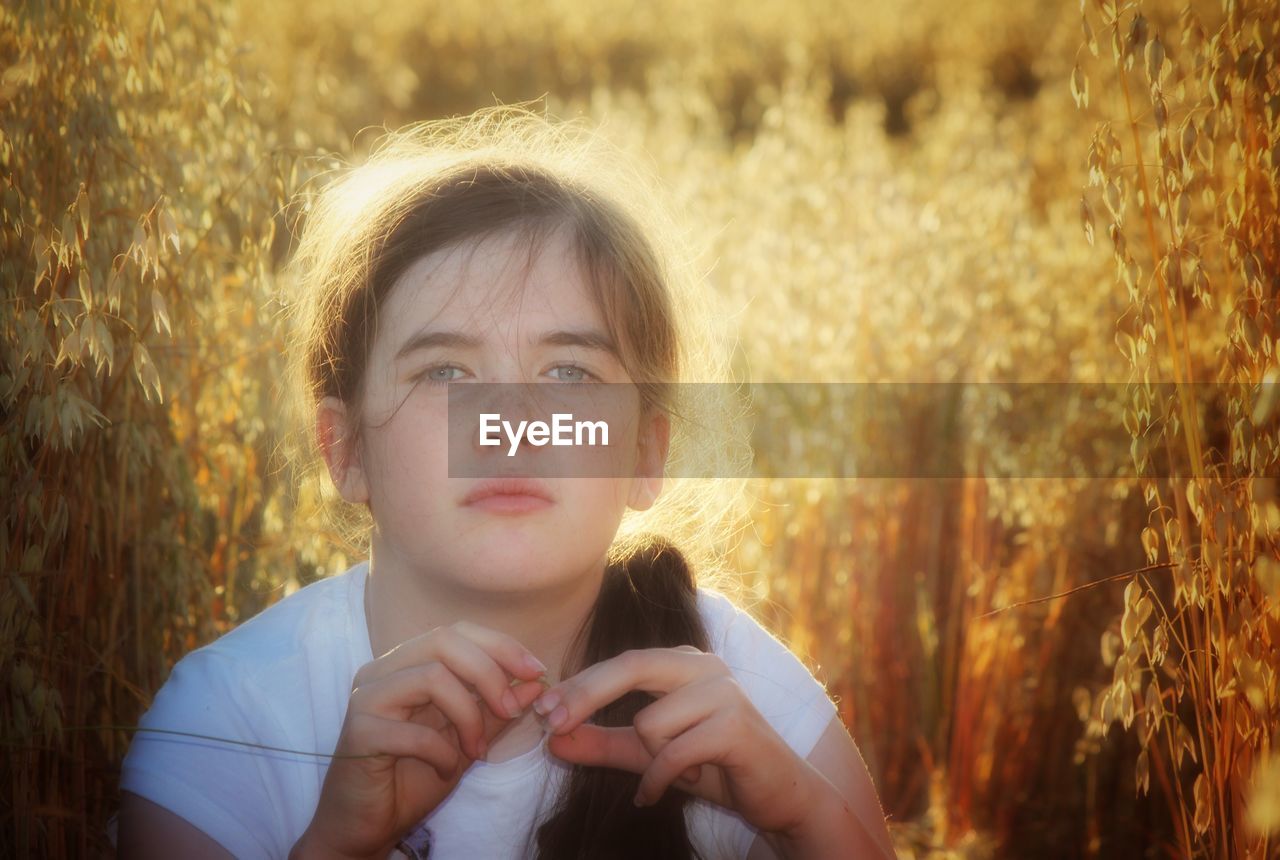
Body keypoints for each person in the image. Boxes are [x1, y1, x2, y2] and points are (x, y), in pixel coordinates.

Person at [113, 104, 896, 859]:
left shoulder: (739, 691)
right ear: (344, 449)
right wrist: (335, 849)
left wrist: (801, 820)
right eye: (446, 371)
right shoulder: (225, 722)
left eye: (568, 371)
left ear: (646, 452)